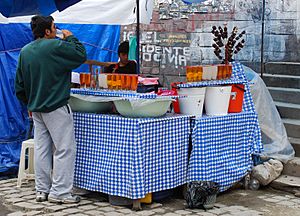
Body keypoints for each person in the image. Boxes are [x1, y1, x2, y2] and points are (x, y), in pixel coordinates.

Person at [15, 15, 87, 204]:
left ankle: (42, 190)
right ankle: (61, 192)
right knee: (64, 149)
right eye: (54, 27)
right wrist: (70, 37)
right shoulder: (55, 46)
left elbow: (19, 86)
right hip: (56, 106)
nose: (56, 30)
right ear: (47, 31)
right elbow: (80, 55)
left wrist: (30, 103)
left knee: (42, 149)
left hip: (36, 108)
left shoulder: (25, 51)